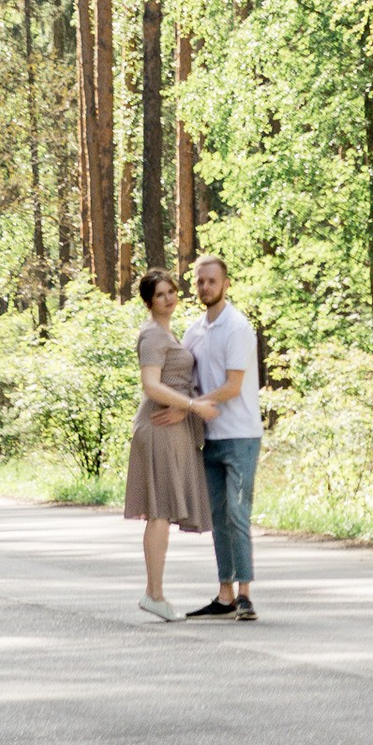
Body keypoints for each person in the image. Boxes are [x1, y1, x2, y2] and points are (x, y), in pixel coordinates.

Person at [122, 267, 211, 621]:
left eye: (172, 292)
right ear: (148, 301)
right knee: (159, 511)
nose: (169, 299)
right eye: (161, 295)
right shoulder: (153, 337)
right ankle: (153, 593)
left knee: (162, 512)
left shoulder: (167, 333)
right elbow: (151, 385)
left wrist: (184, 408)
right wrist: (189, 406)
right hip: (157, 428)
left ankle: (155, 592)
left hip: (171, 426)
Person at [187, 253, 262, 624]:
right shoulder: (194, 331)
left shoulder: (238, 327)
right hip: (210, 437)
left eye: (212, 281)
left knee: (236, 512)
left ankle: (245, 593)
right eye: (200, 281)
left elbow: (233, 386)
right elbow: (184, 377)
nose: (205, 287)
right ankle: (225, 593)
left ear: (226, 284)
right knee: (218, 515)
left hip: (242, 434)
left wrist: (192, 403)